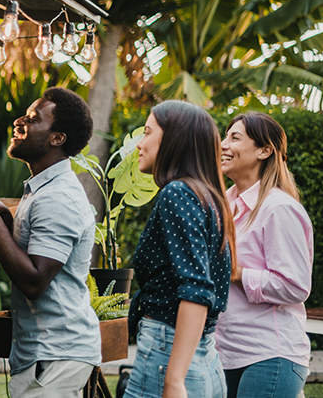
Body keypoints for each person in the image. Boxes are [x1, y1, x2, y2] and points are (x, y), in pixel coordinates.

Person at [0, 87, 100, 397]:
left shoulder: (57, 197)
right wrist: (5, 217)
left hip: (56, 356)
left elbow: (35, 280)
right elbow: (34, 252)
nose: (20, 121)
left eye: (32, 119)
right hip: (45, 353)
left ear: (56, 138)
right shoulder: (43, 189)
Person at [124, 100, 235, 398]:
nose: (139, 144)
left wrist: (174, 381)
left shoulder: (178, 193)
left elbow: (197, 291)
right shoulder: (210, 199)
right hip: (204, 359)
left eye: (147, 132)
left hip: (168, 355)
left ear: (173, 140)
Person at [215, 113, 313, 398]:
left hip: (269, 356)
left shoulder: (278, 208)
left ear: (264, 150)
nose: (223, 144)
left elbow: (296, 285)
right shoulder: (224, 205)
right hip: (225, 353)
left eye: (235, 137)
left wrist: (238, 274)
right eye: (225, 136)